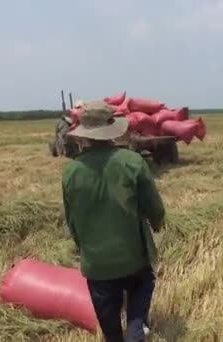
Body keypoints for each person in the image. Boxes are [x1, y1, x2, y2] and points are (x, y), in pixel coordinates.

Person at [62, 102, 166, 342]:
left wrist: (82, 246)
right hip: (133, 257)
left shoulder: (72, 171)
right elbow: (154, 206)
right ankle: (136, 326)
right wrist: (157, 221)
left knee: (110, 331)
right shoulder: (132, 161)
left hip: (97, 264)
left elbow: (72, 218)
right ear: (112, 131)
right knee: (143, 283)